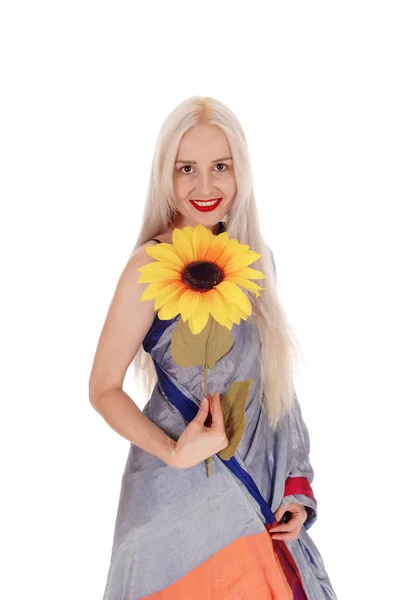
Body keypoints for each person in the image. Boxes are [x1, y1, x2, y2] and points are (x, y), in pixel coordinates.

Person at [89, 96, 337, 600]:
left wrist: (294, 481)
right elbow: (103, 388)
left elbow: (274, 380)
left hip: (254, 503)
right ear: (166, 176)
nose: (205, 187)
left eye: (219, 167)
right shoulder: (149, 265)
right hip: (170, 513)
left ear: (239, 171)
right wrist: (174, 453)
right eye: (187, 169)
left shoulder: (255, 259)